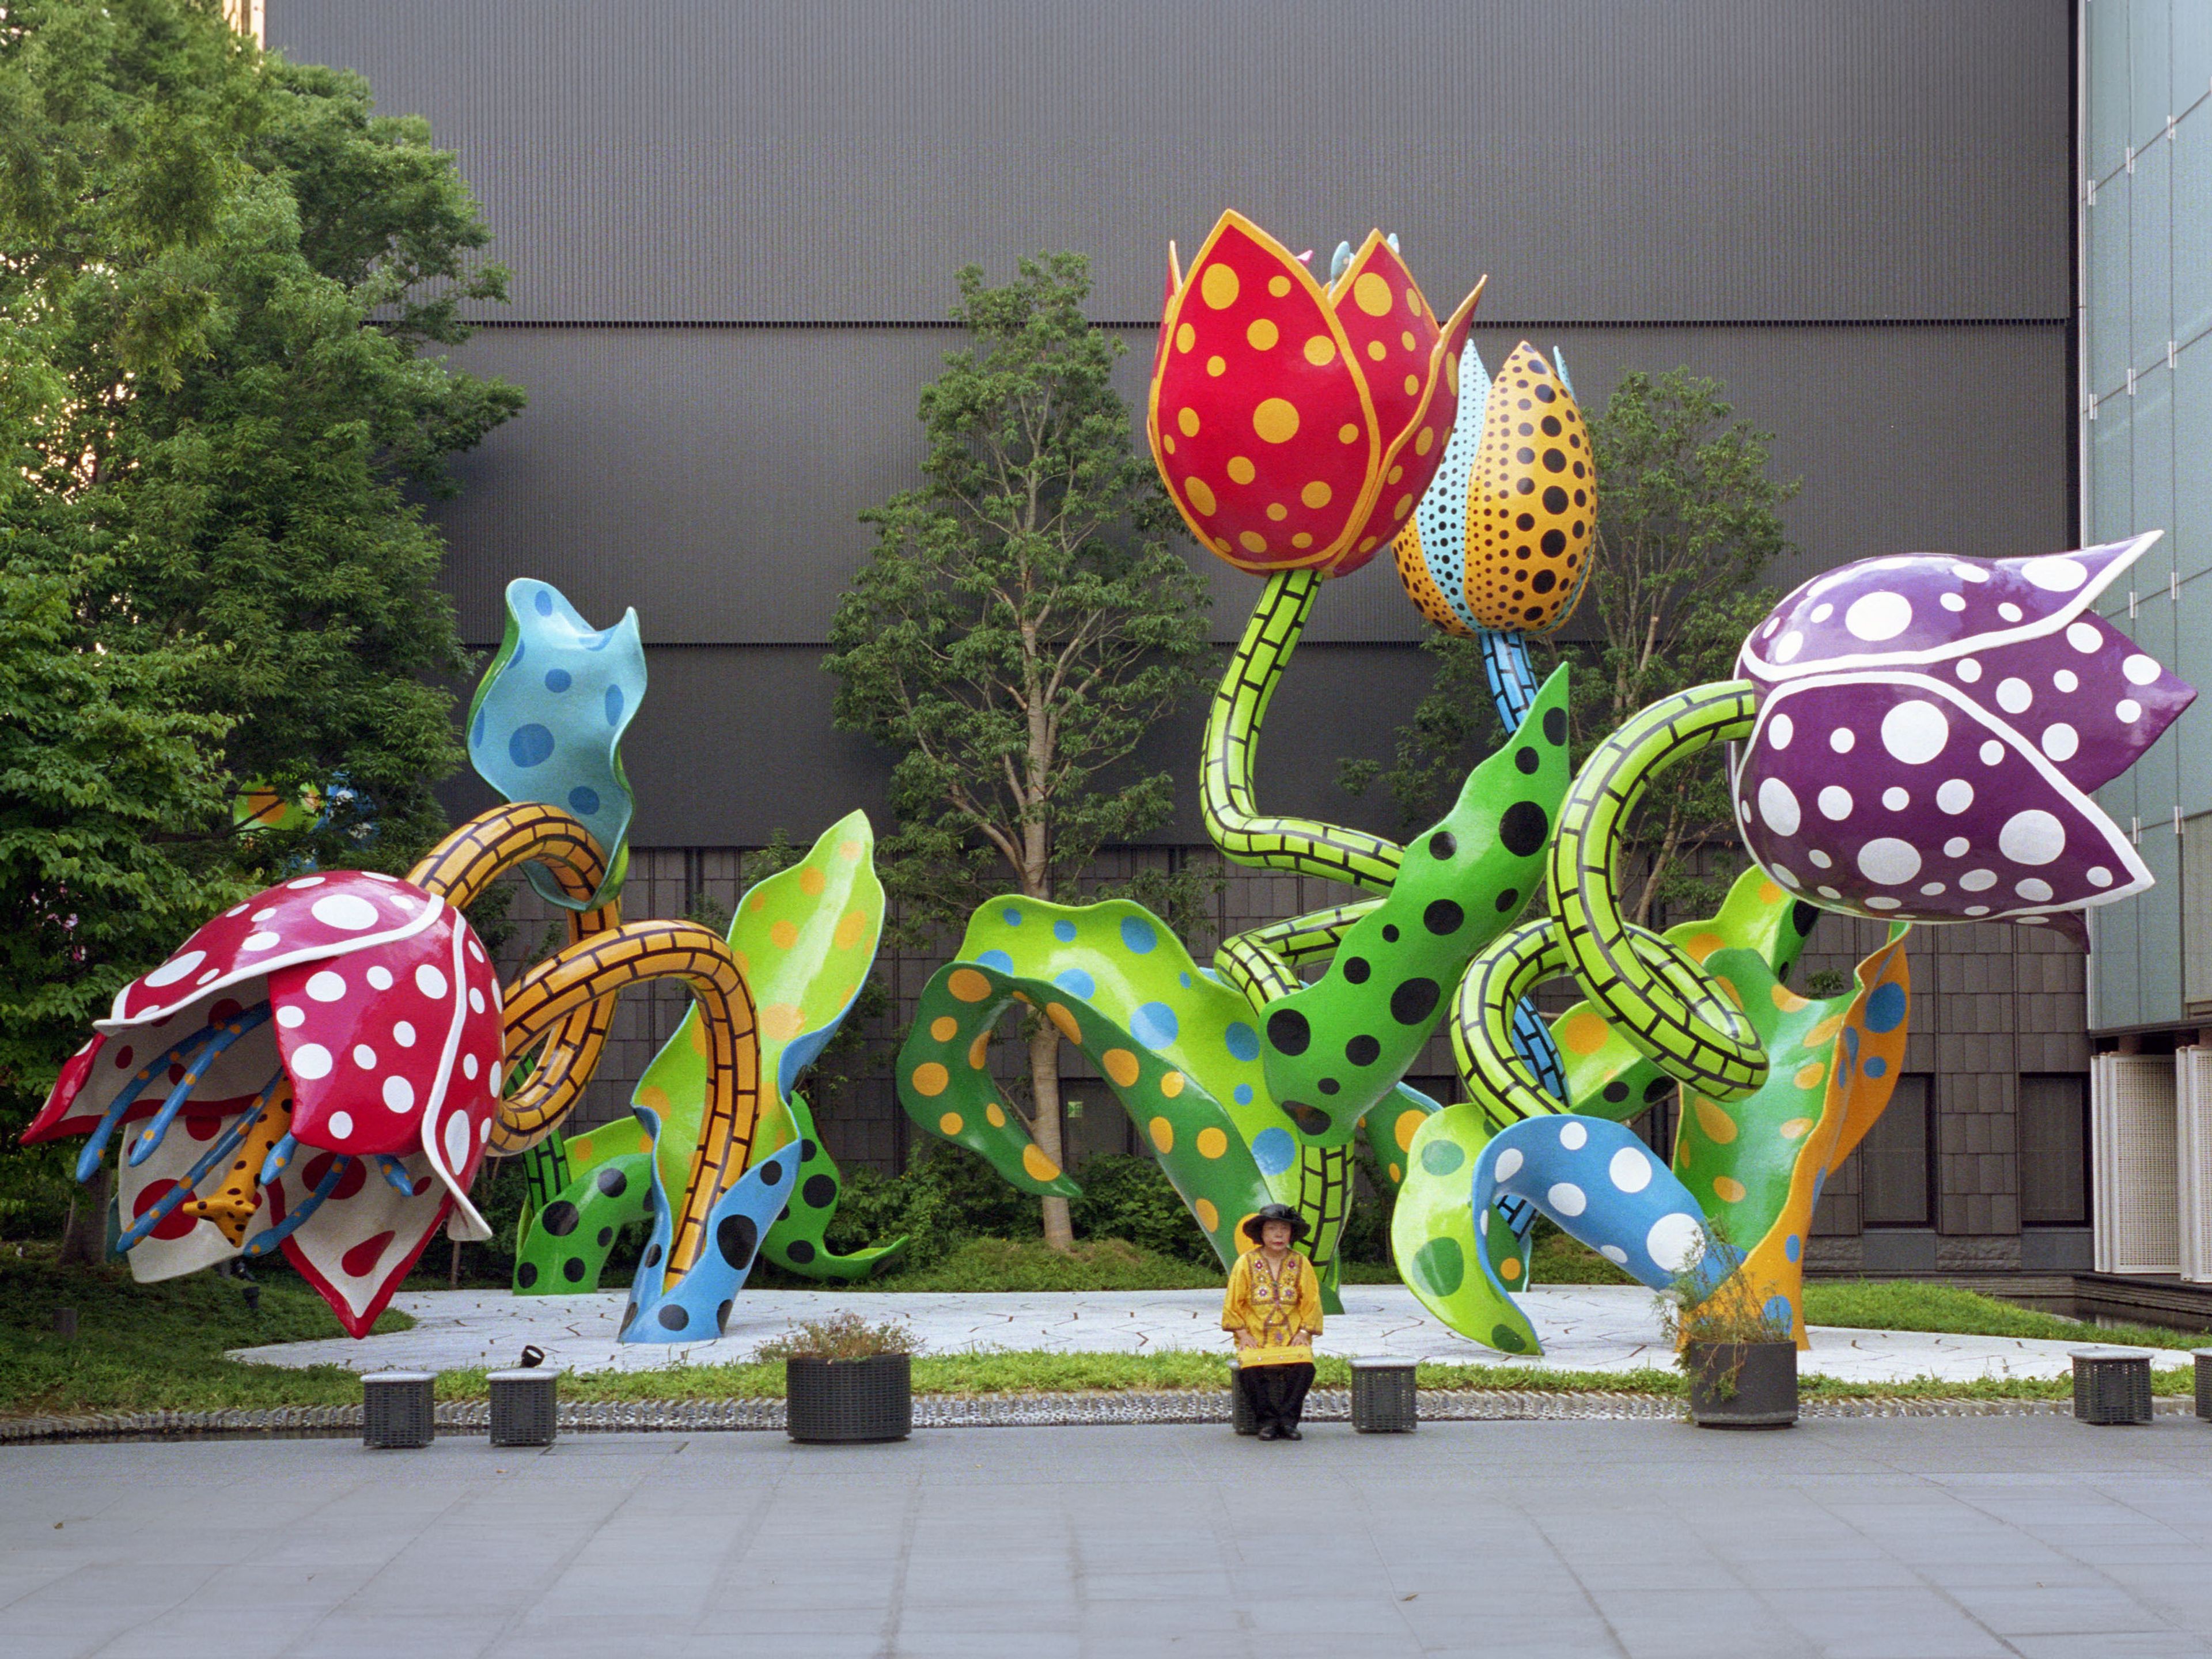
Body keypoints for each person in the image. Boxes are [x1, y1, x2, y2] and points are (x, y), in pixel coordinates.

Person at [1221, 1203, 1321, 1440]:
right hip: (1255, 1337)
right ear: (1262, 1234)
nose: (1278, 1235)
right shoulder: (1245, 1263)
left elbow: (1312, 1301)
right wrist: (1244, 1335)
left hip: (1292, 1337)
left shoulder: (1301, 1263)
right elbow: (1233, 1302)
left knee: (1306, 1367)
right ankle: (1267, 1422)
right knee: (1250, 1368)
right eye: (1272, 1229)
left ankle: (1288, 1421)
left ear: (1291, 1234)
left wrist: (1305, 1332)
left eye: (1284, 1229)